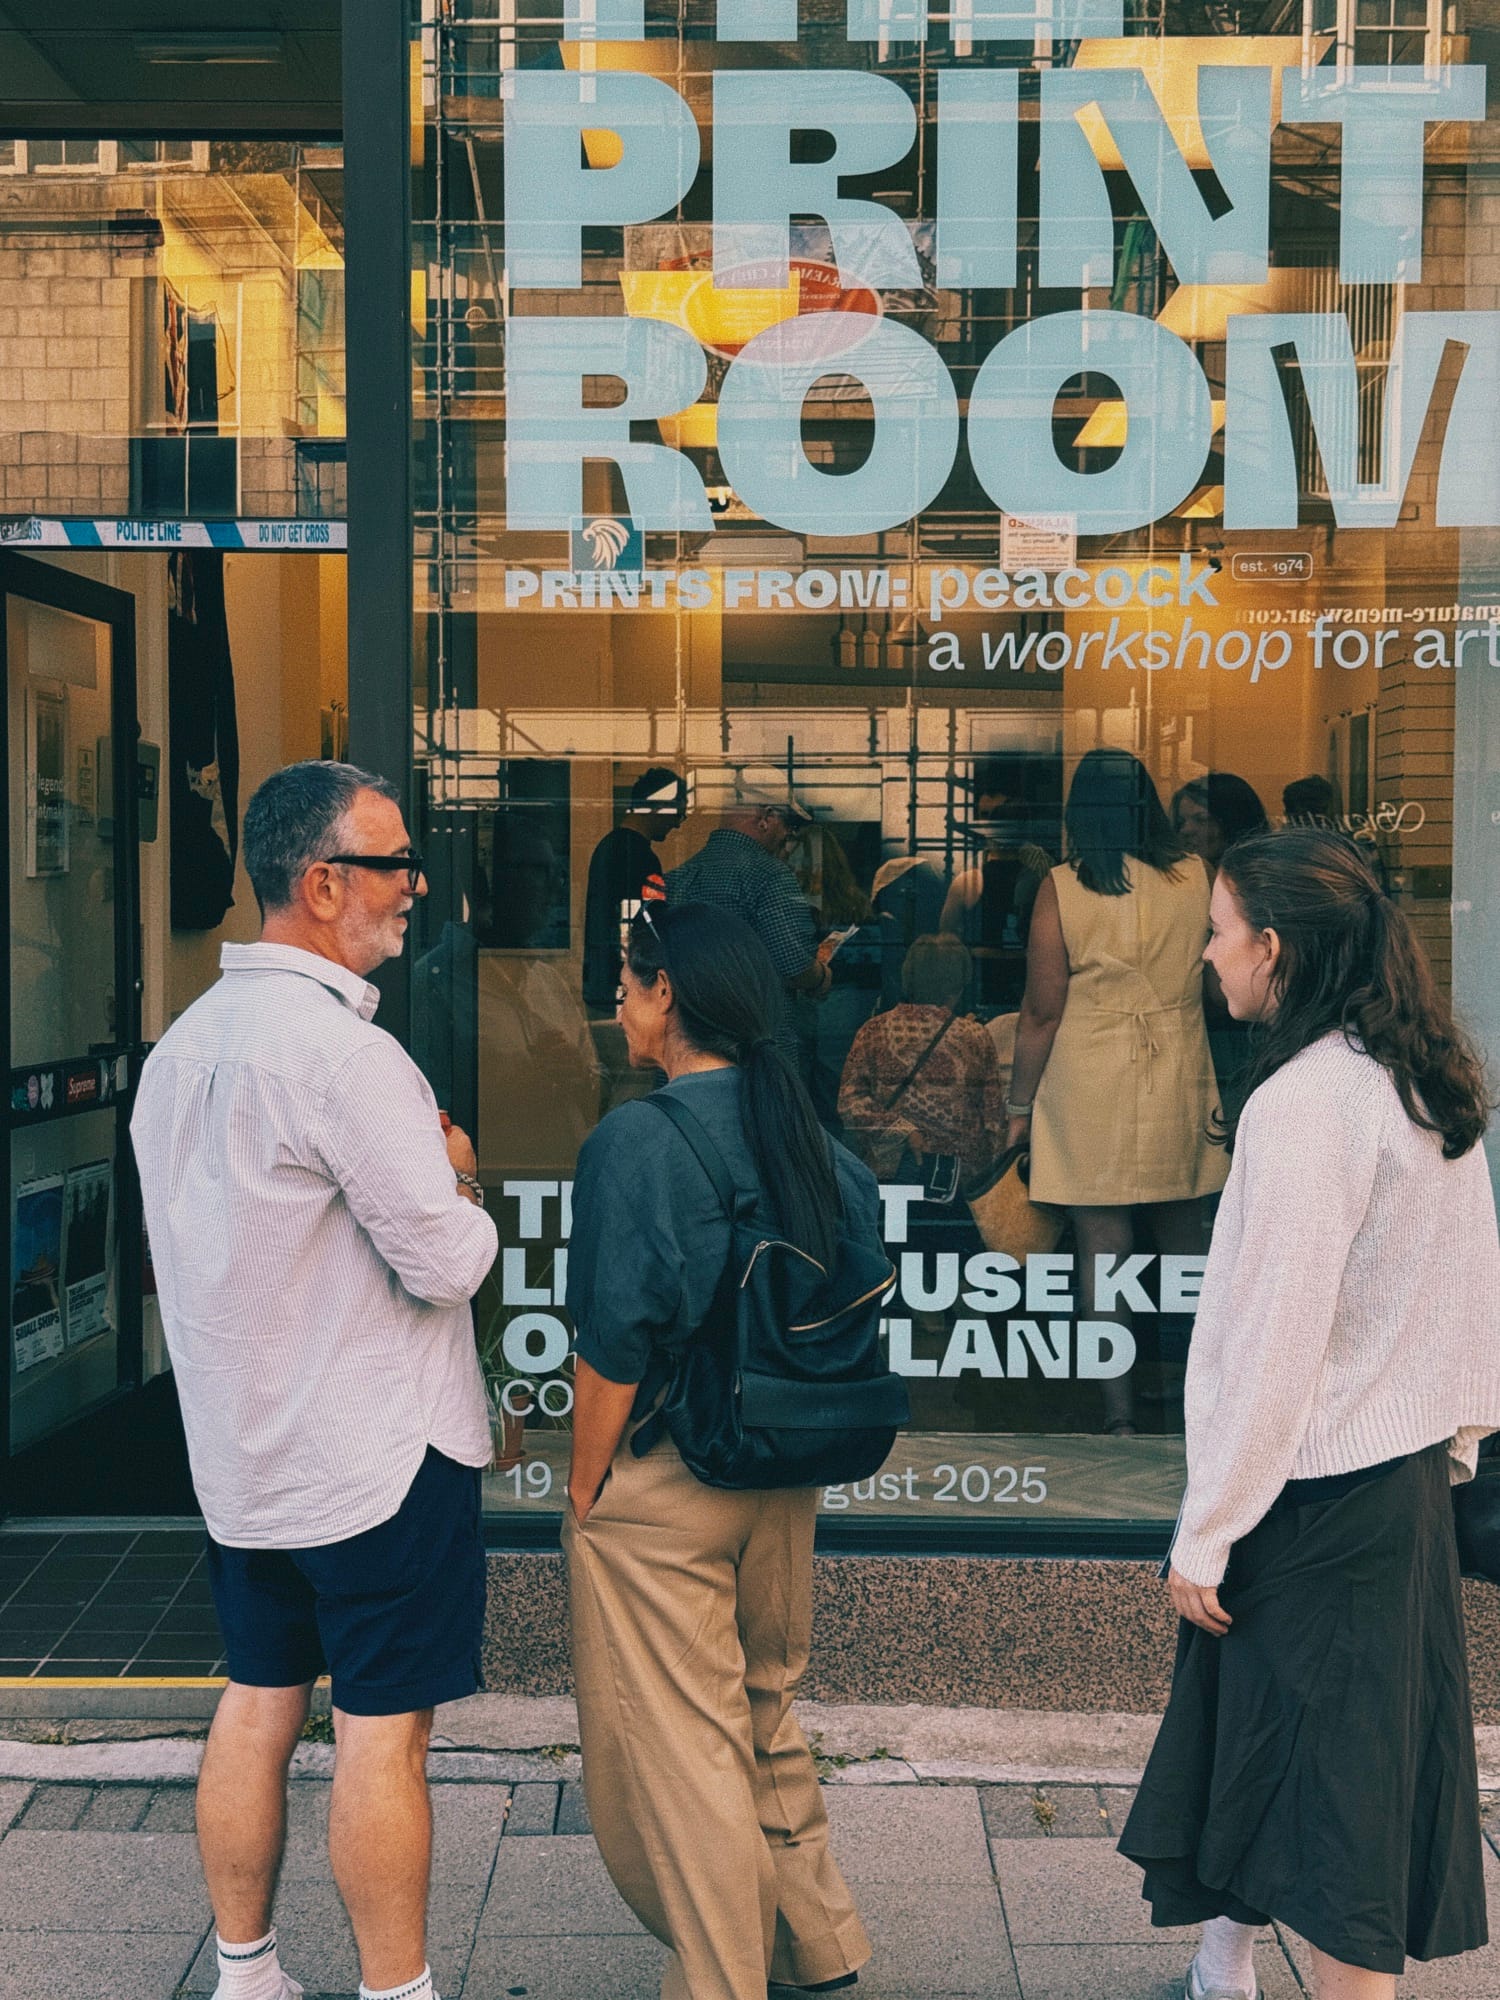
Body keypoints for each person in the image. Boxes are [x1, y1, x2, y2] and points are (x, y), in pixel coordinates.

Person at [131, 761, 498, 2000]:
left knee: (255, 1698)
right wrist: (461, 1172)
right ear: (323, 881)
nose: (416, 886)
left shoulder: (181, 1048)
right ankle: (398, 1989)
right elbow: (447, 1262)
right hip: (379, 1454)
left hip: (243, 1454)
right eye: (395, 864)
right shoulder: (347, 1059)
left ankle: (247, 1973)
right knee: (381, 1733)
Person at [1119, 827, 1500, 2000]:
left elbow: (1273, 1340)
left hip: (1310, 1495)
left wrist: (1208, 1524)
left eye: (1218, 934)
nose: (1207, 957)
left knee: (1339, 1822)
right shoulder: (1418, 1071)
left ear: (1273, 948)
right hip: (1394, 1492)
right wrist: (1458, 1435)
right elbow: (1467, 1283)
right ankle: (1220, 1966)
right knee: (1300, 1759)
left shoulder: (1306, 1103)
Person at [563, 901, 875, 2000]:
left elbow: (610, 1345)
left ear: (668, 998)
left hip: (665, 1478)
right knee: (760, 1708)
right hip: (784, 1473)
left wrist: (582, 1485)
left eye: (627, 975)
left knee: (681, 1747)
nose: (617, 994)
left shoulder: (637, 1141)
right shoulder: (809, 1137)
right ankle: (819, 1944)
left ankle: (722, 1978)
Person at [1005, 749, 1227, 1433]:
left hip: (1088, 1076)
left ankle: (1120, 1414)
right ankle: (1204, 1403)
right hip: (1178, 1067)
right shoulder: (1196, 875)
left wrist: (1017, 1108)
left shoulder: (1063, 887)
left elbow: (1042, 1012)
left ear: (1080, 814)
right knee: (1188, 1245)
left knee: (1102, 1248)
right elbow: (1220, 986)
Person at [666, 792, 835, 1066]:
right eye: (789, 826)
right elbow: (793, 965)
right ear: (766, 817)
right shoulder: (770, 875)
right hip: (756, 1052)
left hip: (688, 1049)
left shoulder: (679, 876)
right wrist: (822, 977)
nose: (788, 838)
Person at [838, 933, 1004, 1200]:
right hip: (957, 1182)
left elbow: (850, 1102)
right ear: (959, 984)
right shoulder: (973, 1036)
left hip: (888, 1176)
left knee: (892, 1238)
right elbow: (993, 1120)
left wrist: (902, 1131)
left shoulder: (874, 1030)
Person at [581, 766, 686, 1014]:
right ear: (660, 807)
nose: (678, 824)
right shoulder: (640, 857)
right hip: (628, 986)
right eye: (678, 813)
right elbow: (646, 926)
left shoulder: (608, 848)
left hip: (604, 982)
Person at [1171, 772, 1269, 871]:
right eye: (1181, 822)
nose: (1185, 830)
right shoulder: (1182, 874)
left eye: (1202, 819)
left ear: (1234, 822)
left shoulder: (1268, 878)